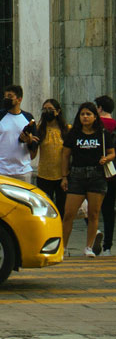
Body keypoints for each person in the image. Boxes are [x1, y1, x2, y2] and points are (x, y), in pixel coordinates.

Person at [61, 102, 116, 256]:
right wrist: (64, 176)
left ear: (94, 117)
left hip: (97, 176)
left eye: (88, 114)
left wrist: (107, 158)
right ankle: (63, 247)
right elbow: (65, 155)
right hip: (77, 175)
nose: (85, 117)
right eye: (82, 114)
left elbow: (112, 152)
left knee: (93, 213)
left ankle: (89, 247)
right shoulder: (73, 134)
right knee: (69, 213)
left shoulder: (103, 134)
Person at [0, 84, 36, 183]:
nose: (6, 99)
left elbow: (33, 152)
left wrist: (29, 141)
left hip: (22, 172)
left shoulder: (28, 118)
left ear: (19, 99)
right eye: (5, 96)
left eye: (10, 96)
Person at [31, 99, 69, 217]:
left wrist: (65, 176)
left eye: (50, 109)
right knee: (45, 209)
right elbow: (32, 155)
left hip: (61, 176)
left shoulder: (66, 129)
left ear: (57, 112)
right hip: (44, 175)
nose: (47, 112)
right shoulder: (39, 129)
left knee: (62, 209)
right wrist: (29, 142)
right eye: (44, 109)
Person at [96, 95, 116, 255]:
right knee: (109, 210)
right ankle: (108, 247)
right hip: (113, 172)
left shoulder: (94, 126)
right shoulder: (115, 125)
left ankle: (94, 232)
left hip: (95, 170)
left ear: (100, 108)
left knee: (86, 207)